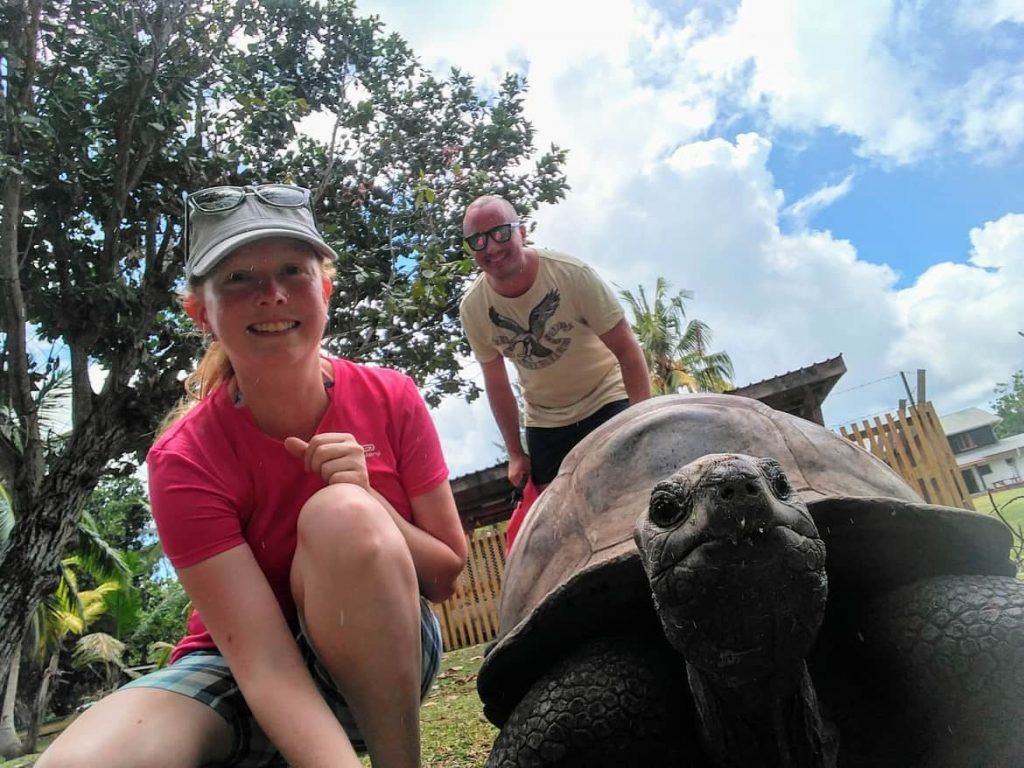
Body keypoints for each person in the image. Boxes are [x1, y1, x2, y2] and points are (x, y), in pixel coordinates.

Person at [38, 184, 468, 768]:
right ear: (201, 313)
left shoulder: (391, 396)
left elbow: (444, 576)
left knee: (342, 514)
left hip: (380, 663)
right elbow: (264, 664)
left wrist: (370, 501)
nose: (271, 295)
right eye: (238, 278)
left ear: (326, 289)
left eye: (293, 270)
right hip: (237, 668)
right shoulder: (183, 457)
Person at [458, 195, 651, 541]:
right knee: (558, 527)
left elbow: (627, 348)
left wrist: (641, 416)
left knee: (634, 498)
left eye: (501, 233)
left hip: (605, 398)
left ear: (522, 231)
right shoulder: (474, 308)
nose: (491, 247)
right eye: (478, 240)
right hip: (546, 419)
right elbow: (497, 383)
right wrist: (516, 454)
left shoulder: (570, 274)